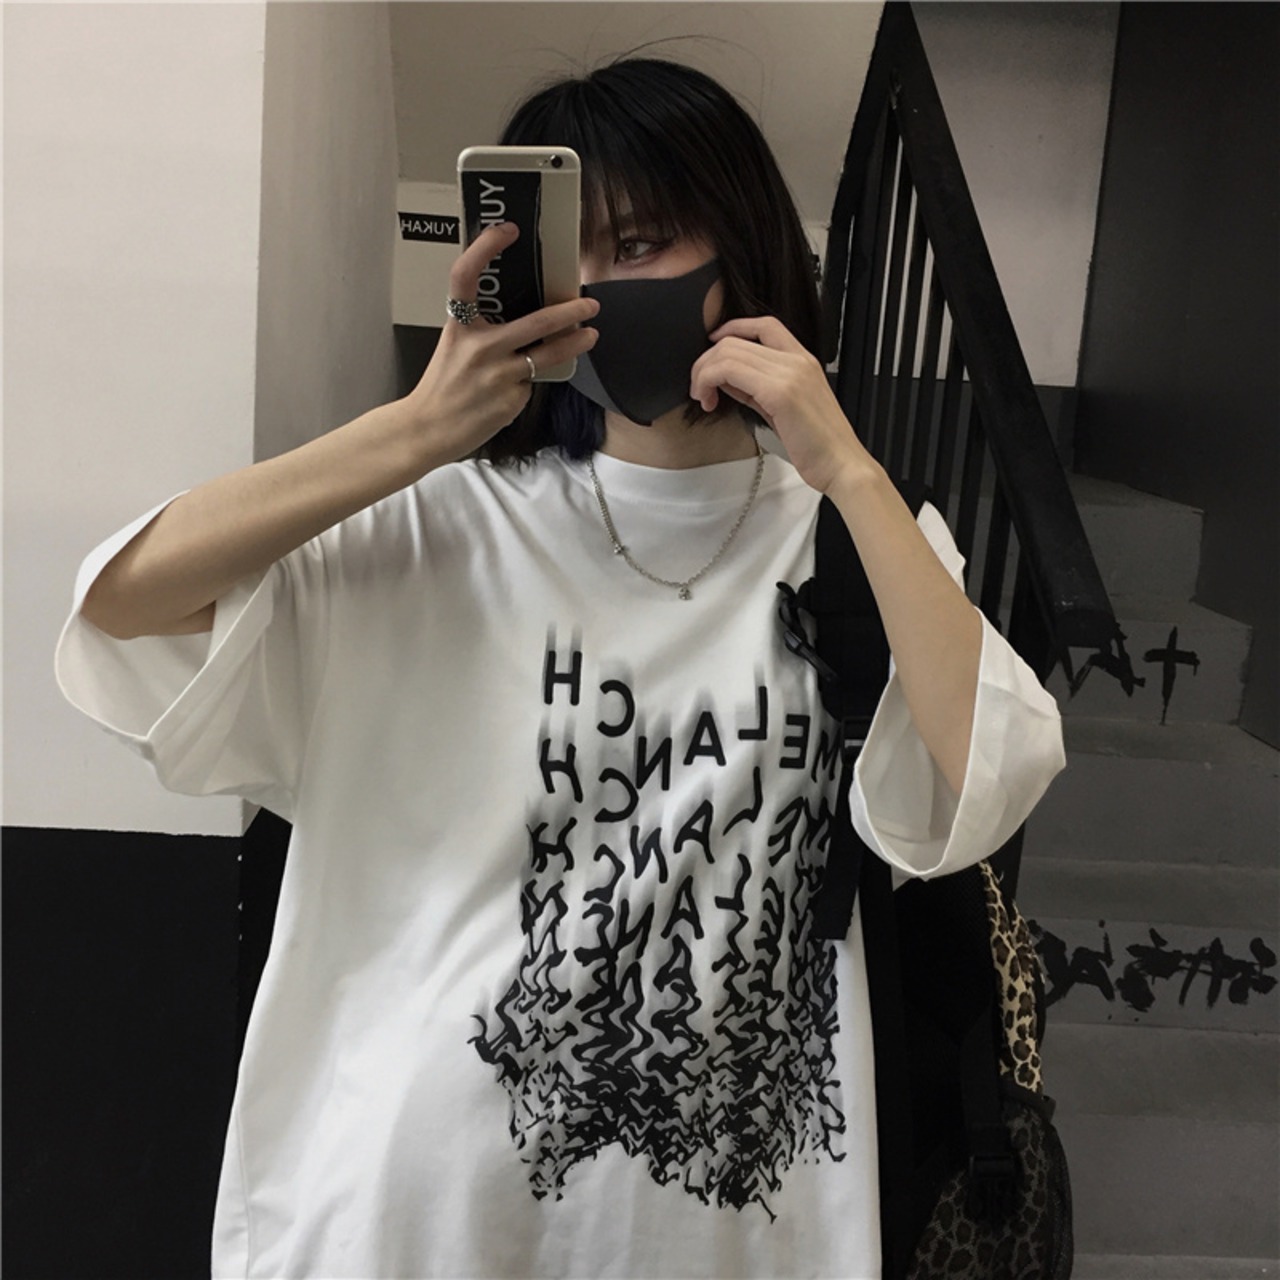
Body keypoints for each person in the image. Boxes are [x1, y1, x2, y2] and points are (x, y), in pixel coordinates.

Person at [57, 56, 1064, 1280]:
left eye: (637, 243)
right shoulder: (433, 527)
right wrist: (418, 427)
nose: (597, 291)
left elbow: (981, 785)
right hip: (402, 1224)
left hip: (737, 1235)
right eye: (561, 258)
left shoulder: (858, 546)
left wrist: (846, 468)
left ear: (743, 244)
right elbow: (123, 604)